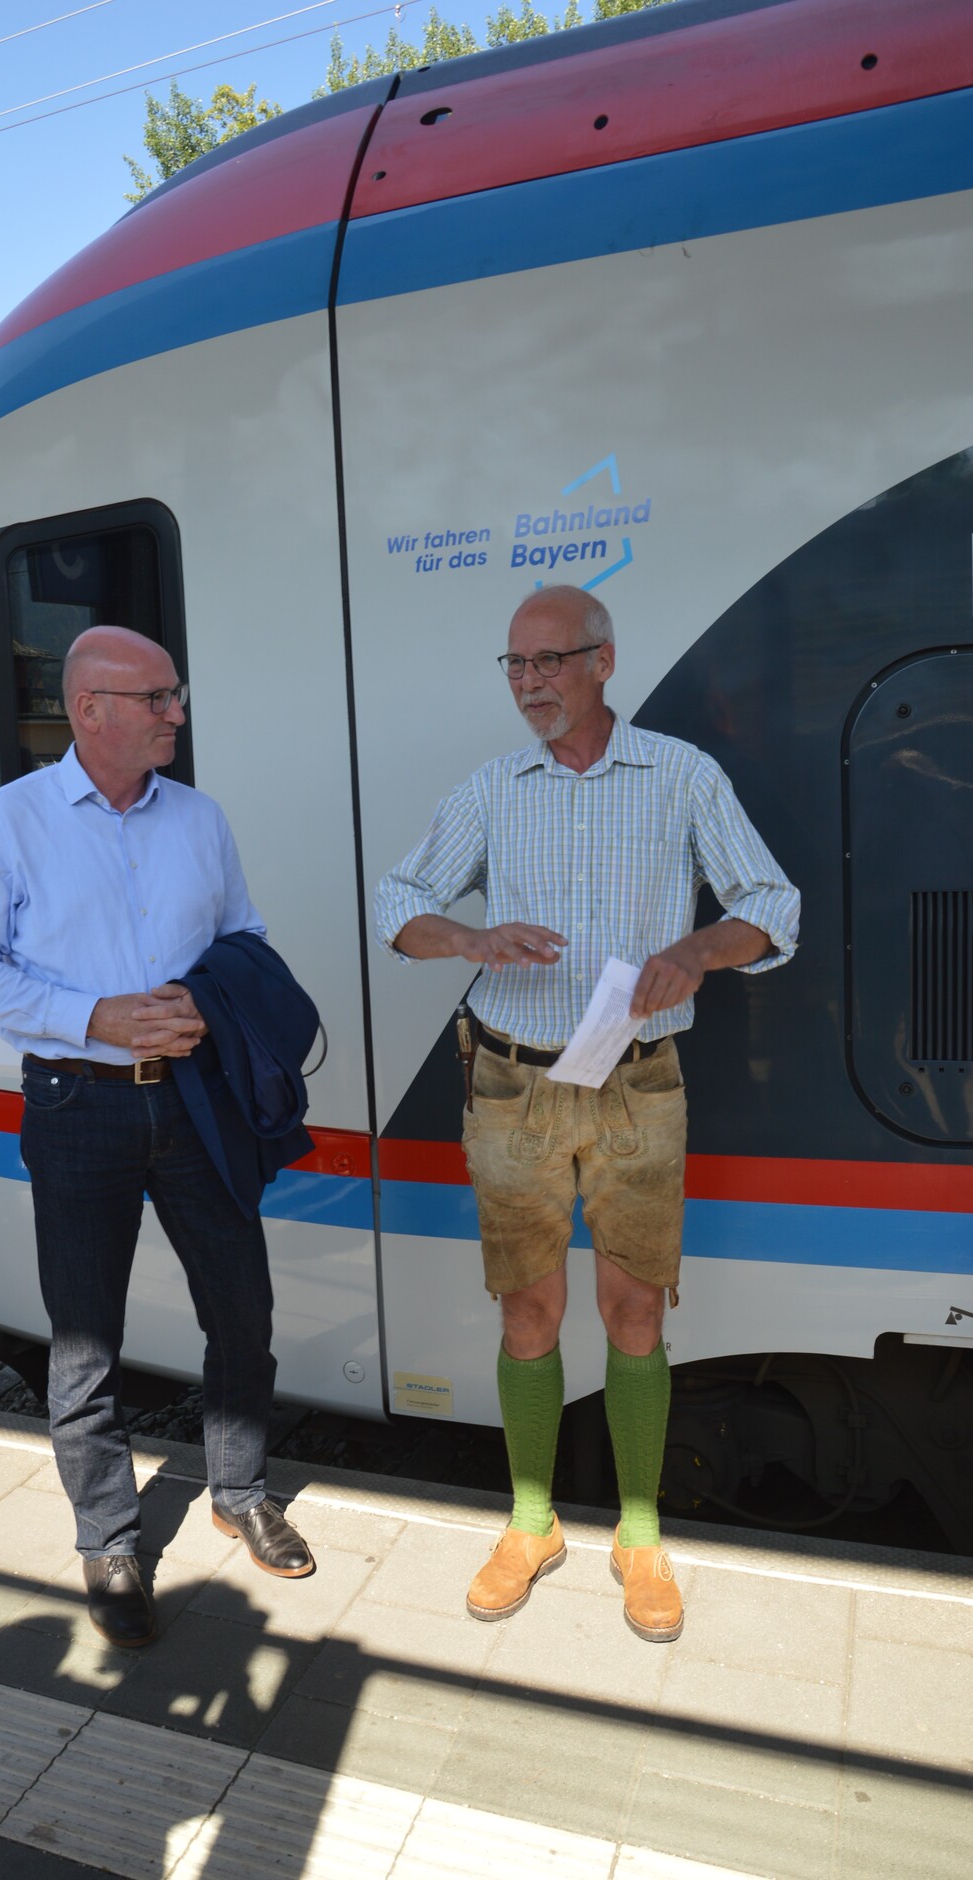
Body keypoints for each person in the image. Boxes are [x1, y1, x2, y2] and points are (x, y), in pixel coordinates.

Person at [374, 585, 799, 1642]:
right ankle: (531, 1520)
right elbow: (396, 907)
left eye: (548, 663)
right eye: (514, 667)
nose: (528, 686)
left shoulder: (680, 775)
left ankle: (639, 1532)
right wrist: (470, 940)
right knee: (526, 1312)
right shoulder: (490, 788)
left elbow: (771, 902)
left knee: (634, 1312)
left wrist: (696, 949)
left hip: (634, 1082)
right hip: (511, 1084)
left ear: (602, 662)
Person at [0, 626, 314, 1649]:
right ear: (89, 708)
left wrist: (205, 997)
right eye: (155, 697)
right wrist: (95, 1015)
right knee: (83, 1333)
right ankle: (107, 1535)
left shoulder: (200, 817)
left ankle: (239, 1490)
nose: (174, 713)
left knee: (241, 1306)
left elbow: (245, 938)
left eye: (173, 696)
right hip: (75, 1101)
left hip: (198, 1100)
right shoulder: (11, 822)